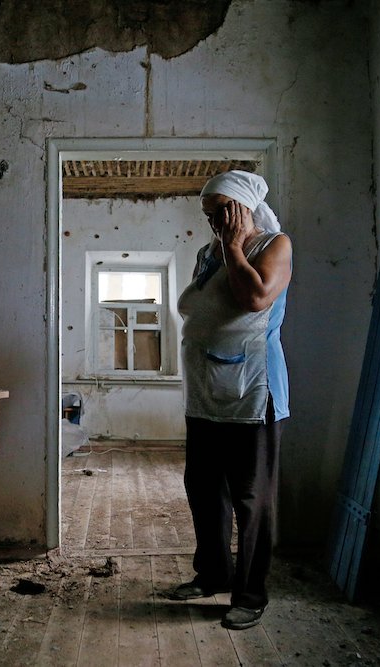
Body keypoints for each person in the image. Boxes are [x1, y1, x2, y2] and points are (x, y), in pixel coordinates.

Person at [170, 170, 292, 631]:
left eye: (223, 210)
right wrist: (223, 247)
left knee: (251, 499)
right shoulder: (208, 253)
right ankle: (212, 574)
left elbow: (255, 298)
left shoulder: (274, 245)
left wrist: (234, 245)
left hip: (252, 393)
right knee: (204, 489)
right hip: (205, 392)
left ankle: (250, 594)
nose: (215, 222)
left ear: (244, 207)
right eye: (209, 214)